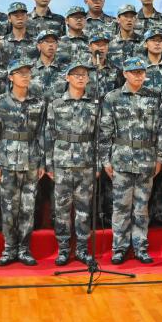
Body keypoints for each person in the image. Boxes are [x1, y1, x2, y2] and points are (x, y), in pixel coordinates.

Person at [98, 57, 162, 264]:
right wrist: (105, 160)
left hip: (146, 160)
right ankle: (119, 248)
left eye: (141, 72)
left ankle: (140, 247)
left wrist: (160, 157)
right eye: (134, 72)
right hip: (121, 159)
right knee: (121, 207)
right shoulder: (112, 98)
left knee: (142, 208)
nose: (138, 75)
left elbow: (160, 130)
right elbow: (105, 132)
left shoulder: (154, 97)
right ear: (125, 74)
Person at [0, 59, 46, 266]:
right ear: (11, 77)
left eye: (28, 72)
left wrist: (42, 162)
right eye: (20, 73)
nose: (25, 76)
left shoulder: (38, 103)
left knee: (28, 208)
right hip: (7, 162)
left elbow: (42, 134)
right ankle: (9, 248)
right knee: (9, 208)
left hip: (31, 161)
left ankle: (24, 249)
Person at [43, 60, 103, 264]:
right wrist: (49, 164)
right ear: (67, 77)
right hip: (62, 163)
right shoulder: (56, 104)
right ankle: (63, 249)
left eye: (84, 74)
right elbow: (48, 135)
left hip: (86, 163)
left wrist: (98, 163)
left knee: (84, 209)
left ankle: (83, 249)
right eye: (76, 74)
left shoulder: (94, 104)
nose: (80, 78)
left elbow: (99, 137)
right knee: (62, 210)